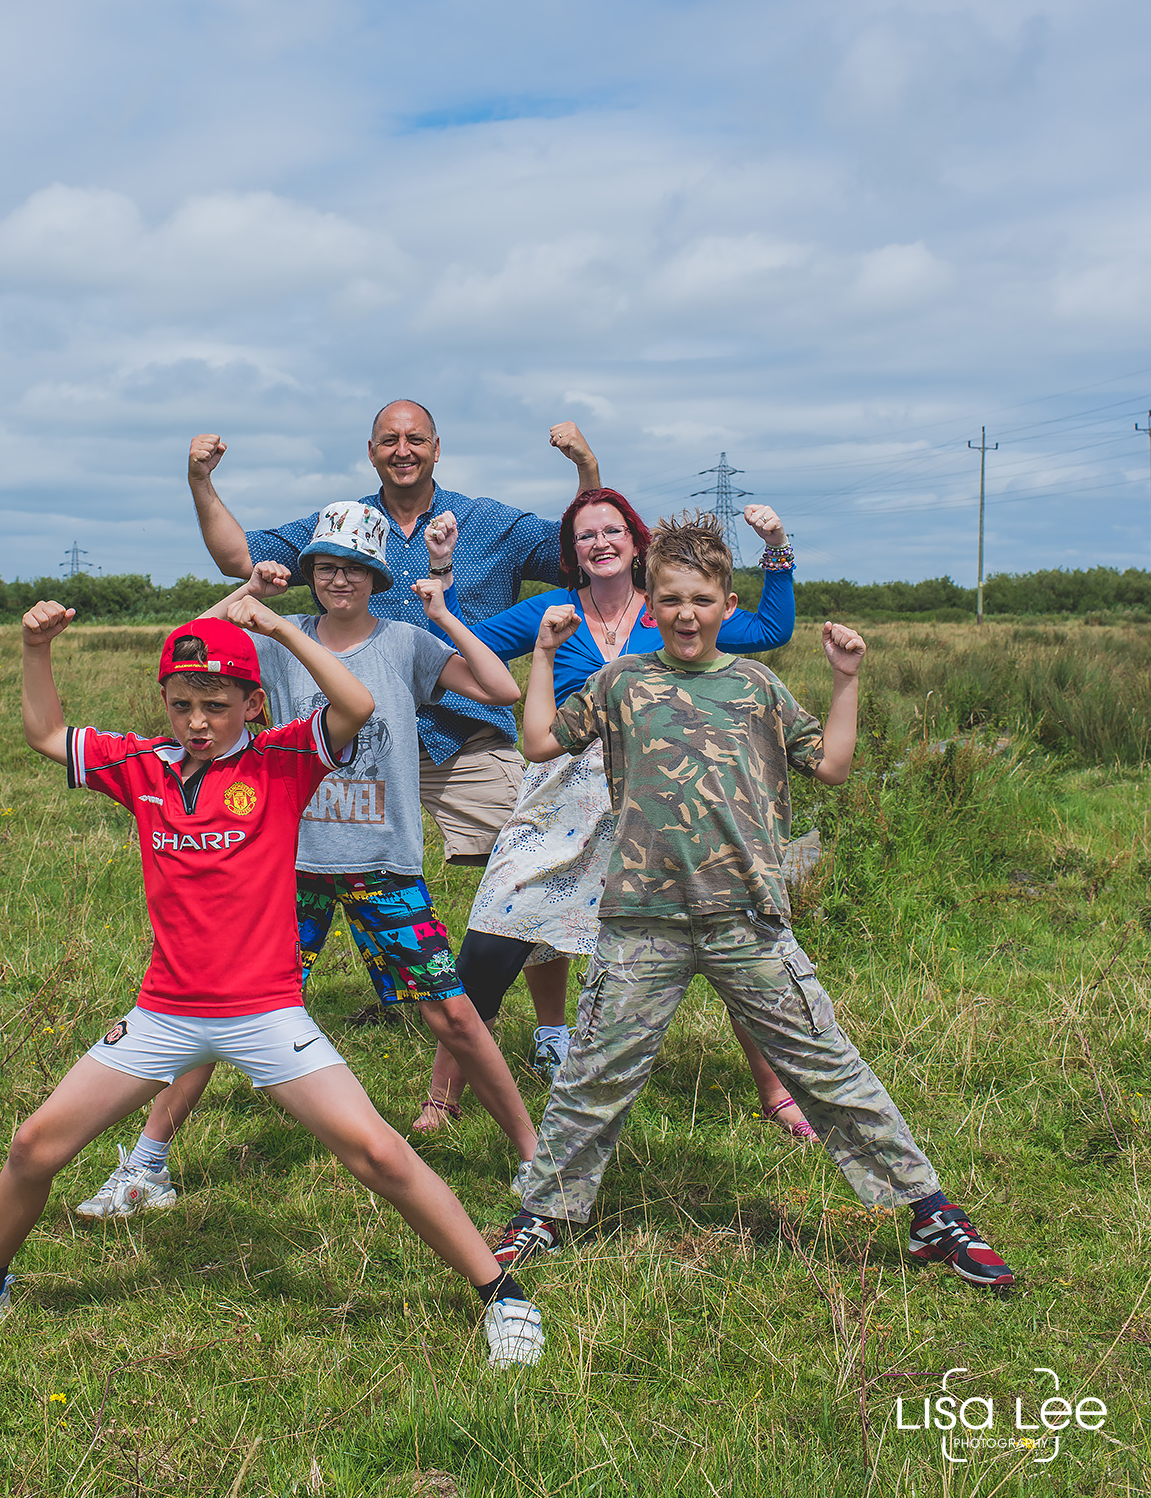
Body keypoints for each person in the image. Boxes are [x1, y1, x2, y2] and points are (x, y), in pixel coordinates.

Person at [0, 604, 544, 1368]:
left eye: (217, 705)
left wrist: (284, 630)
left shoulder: (284, 760)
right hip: (163, 1014)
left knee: (382, 1158)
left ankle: (503, 1295)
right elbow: (44, 735)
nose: (198, 722)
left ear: (254, 704)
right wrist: (35, 649)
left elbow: (355, 705)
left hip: (265, 1014)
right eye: (182, 703)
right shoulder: (141, 766)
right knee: (33, 1148)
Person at [491, 513, 1016, 1291]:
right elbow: (537, 741)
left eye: (701, 599)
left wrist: (845, 679)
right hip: (641, 922)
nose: (684, 614)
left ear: (727, 604)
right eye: (668, 599)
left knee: (827, 1066)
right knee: (595, 1075)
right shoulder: (620, 684)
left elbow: (832, 767)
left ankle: (930, 1216)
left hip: (745, 919)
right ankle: (543, 1215)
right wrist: (540, 655)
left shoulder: (757, 687)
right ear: (648, 602)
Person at [79, 501, 541, 1220]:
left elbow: (501, 690)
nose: (338, 580)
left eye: (354, 568)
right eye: (325, 566)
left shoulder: (405, 644)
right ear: (311, 572)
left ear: (376, 574)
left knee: (451, 1015)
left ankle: (534, 1159)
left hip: (381, 864)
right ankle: (147, 1165)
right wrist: (252, 598)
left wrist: (444, 614)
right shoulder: (275, 637)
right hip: (282, 870)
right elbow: (188, 646)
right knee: (215, 1008)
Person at [416, 490, 812, 1145]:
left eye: (610, 532)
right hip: (560, 797)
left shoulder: (666, 613)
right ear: (570, 552)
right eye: (582, 536)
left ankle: (775, 1092)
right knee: (495, 927)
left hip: (659, 797)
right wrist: (443, 580)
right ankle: (442, 1097)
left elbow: (770, 629)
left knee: (727, 937)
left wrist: (775, 550)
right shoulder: (552, 610)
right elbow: (467, 648)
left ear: (635, 543)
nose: (598, 543)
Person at [184, 404, 601, 867]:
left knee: (532, 859)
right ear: (371, 452)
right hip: (350, 737)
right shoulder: (342, 528)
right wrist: (201, 482)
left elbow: (581, 550)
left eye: (416, 440)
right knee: (310, 863)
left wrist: (587, 469)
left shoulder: (491, 523)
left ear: (437, 449)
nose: (403, 451)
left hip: (461, 734)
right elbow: (238, 558)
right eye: (389, 441)